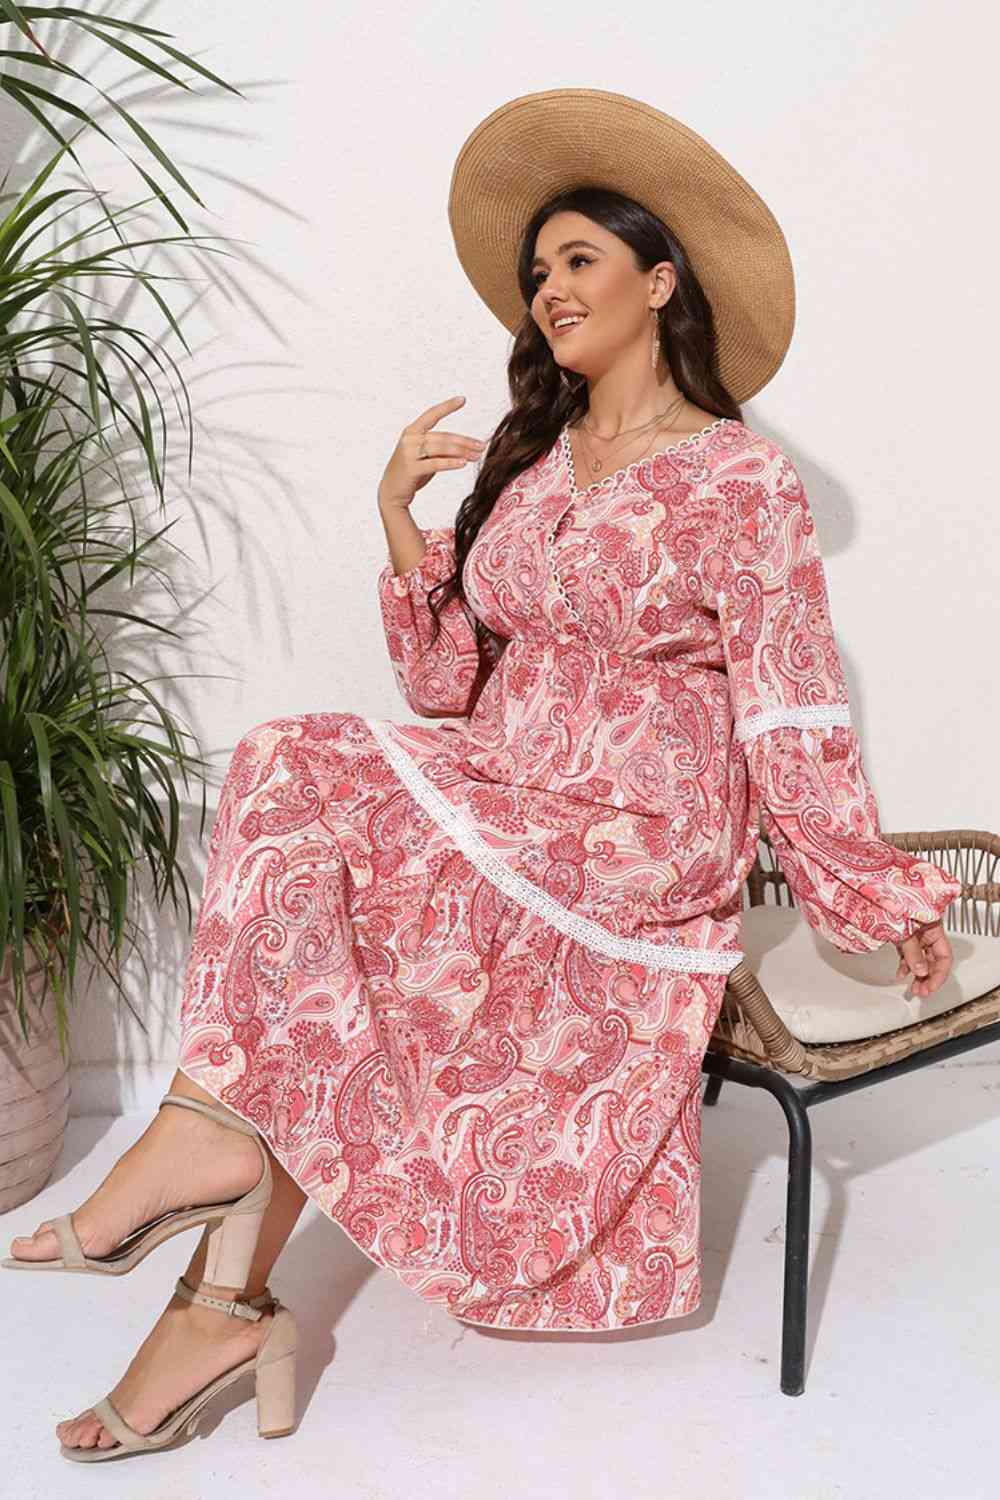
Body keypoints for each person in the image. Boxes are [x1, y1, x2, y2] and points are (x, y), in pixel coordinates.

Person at [2, 87, 962, 1460]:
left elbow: (792, 699)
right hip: (509, 790)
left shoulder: (740, 479)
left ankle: (203, 1163)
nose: (549, 288)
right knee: (314, 879)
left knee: (299, 770)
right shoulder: (538, 462)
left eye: (579, 259)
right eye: (537, 271)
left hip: (641, 829)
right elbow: (447, 686)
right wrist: (399, 519)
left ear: (660, 280)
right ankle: (218, 1298)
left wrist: (867, 890)